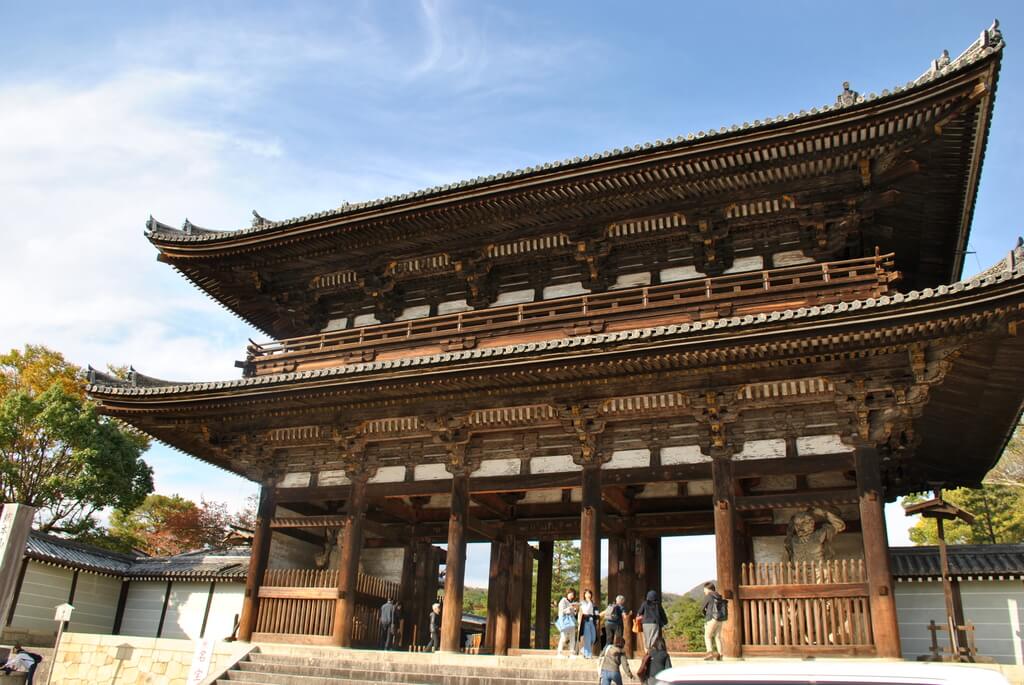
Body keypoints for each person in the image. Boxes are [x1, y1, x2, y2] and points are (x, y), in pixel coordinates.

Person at [701, 581, 725, 661]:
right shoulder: (719, 596)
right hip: (720, 619)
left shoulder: (709, 596)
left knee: (707, 636)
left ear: (708, 589)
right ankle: (720, 654)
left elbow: (702, 608)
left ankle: (710, 653)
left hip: (711, 618)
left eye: (704, 589)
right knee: (718, 637)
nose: (704, 591)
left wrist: (705, 613)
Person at [556, 588, 579, 657]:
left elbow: (573, 613)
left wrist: (575, 609)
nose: (571, 595)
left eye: (573, 594)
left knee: (572, 637)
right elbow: (561, 611)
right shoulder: (563, 601)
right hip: (565, 621)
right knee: (563, 637)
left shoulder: (572, 602)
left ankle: (572, 652)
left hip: (571, 621)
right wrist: (570, 608)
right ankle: (559, 652)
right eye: (570, 594)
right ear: (567, 594)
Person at [578, 588, 597, 658]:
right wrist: (589, 602)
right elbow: (586, 610)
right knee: (588, 638)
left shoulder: (592, 602)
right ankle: (588, 654)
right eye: (587, 594)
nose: (588, 595)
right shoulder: (583, 602)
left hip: (592, 621)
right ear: (584, 595)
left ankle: (583, 650)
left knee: (593, 638)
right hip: (586, 621)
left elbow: (594, 612)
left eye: (589, 593)